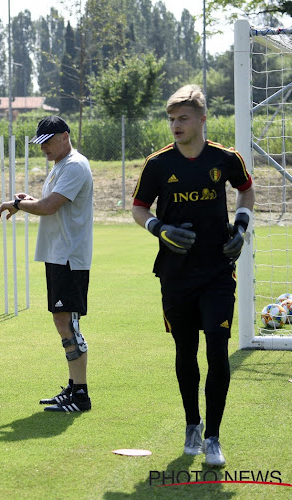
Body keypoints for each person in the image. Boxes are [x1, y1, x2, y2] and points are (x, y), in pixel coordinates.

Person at [131, 85, 254, 467]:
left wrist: (241, 225)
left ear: (202, 120)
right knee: (185, 352)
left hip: (217, 270)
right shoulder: (158, 164)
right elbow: (137, 207)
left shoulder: (226, 158)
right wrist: (157, 228)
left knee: (217, 351)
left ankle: (214, 437)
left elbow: (246, 191)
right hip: (176, 274)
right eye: (171, 119)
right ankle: (192, 425)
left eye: (183, 118)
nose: (175, 125)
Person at [0, 115, 93, 413]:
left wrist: (17, 204)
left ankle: (80, 395)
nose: (44, 149)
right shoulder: (61, 166)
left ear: (65, 136)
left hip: (69, 257)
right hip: (58, 254)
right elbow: (49, 202)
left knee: (68, 323)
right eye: (40, 144)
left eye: (48, 142)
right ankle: (74, 388)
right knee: (62, 321)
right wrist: (29, 200)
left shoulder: (75, 165)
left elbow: (49, 207)